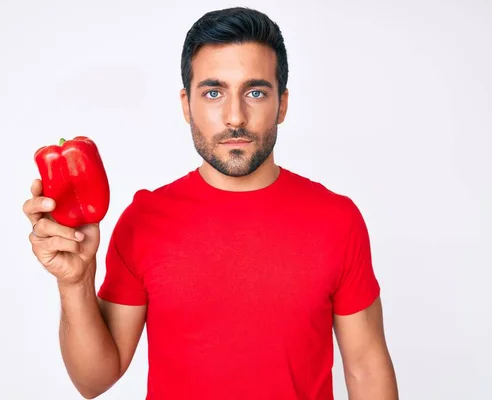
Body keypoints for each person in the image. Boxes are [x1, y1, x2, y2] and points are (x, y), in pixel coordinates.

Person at [23, 6, 398, 400]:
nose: (235, 116)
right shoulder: (143, 220)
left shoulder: (337, 220)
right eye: (214, 92)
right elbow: (93, 380)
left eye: (255, 92)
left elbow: (367, 370)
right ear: (187, 105)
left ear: (282, 104)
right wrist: (76, 283)